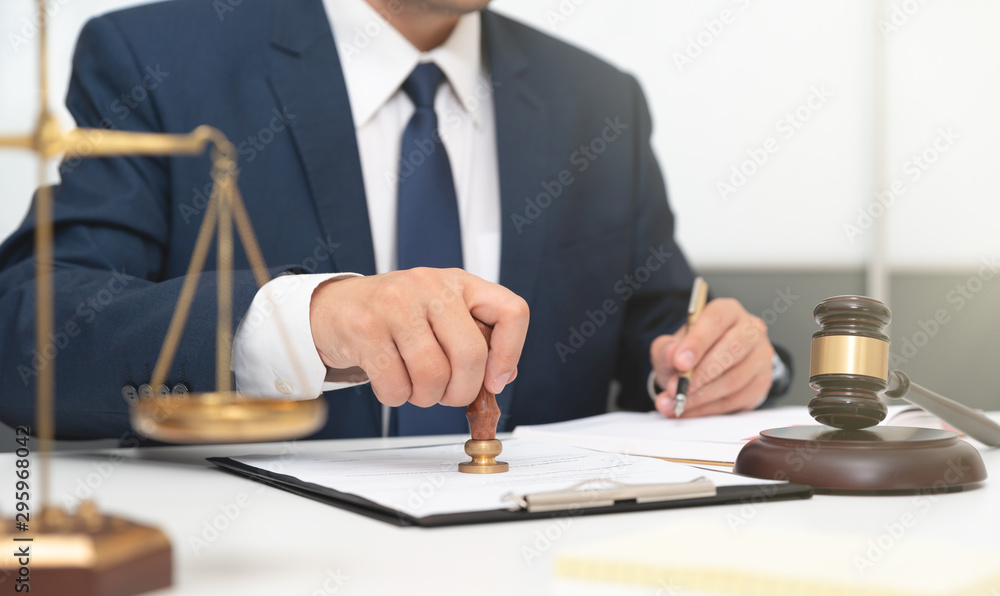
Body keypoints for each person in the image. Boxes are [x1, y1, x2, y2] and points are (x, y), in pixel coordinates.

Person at [0, 0, 790, 441]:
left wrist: (718, 363)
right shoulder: (158, 58)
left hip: (540, 586)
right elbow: (32, 337)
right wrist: (307, 322)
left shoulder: (599, 99)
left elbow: (660, 322)